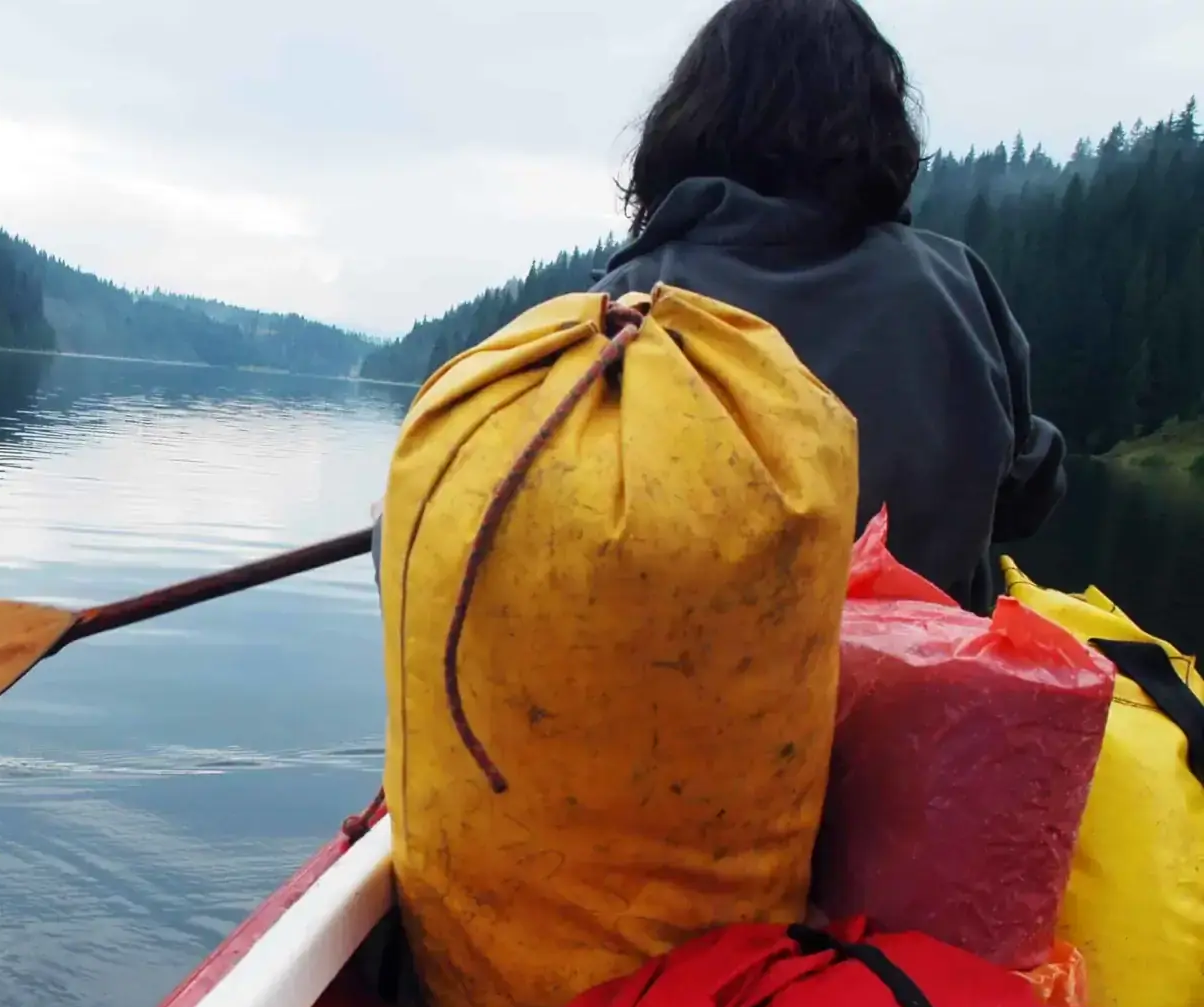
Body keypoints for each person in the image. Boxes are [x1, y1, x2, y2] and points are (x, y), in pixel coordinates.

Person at [375, 0, 1065, 615]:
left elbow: (501, 526)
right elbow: (1028, 493)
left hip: (690, 733)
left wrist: (393, 523)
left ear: (690, 123)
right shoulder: (958, 285)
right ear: (879, 131)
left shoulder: (621, 309)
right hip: (925, 736)